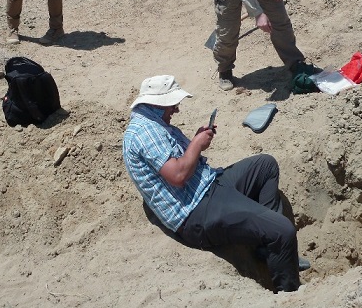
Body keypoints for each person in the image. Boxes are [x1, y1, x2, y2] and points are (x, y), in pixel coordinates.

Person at [123, 75, 305, 293]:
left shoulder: (154, 123)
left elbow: (177, 162)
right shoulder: (145, 132)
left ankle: (269, 250)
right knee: (283, 231)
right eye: (173, 105)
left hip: (209, 184)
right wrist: (197, 145)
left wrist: (195, 142)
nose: (176, 110)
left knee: (265, 165)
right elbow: (179, 175)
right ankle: (289, 294)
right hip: (196, 210)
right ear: (158, 103)